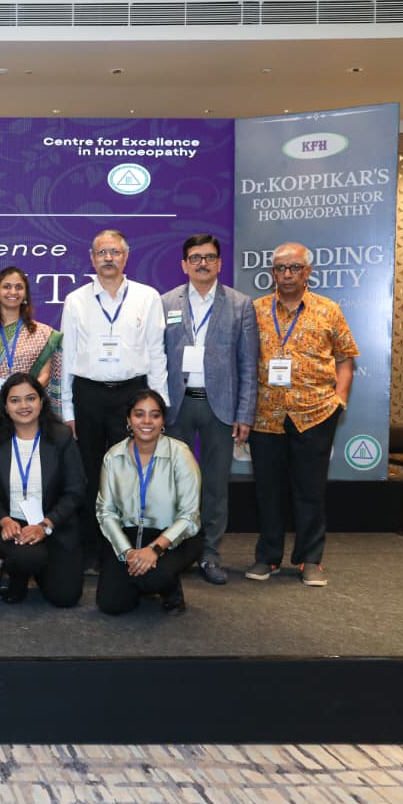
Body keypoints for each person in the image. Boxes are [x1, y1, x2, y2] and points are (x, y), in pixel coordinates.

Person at [245, 242, 358, 587]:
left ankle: (311, 559)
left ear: (307, 272)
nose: (287, 274)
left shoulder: (328, 309)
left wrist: (339, 400)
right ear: (272, 273)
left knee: (310, 490)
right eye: (281, 268)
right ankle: (268, 557)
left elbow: (346, 358)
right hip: (266, 415)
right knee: (268, 491)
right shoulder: (256, 310)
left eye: (294, 267)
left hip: (314, 414)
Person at [59, 229, 168, 570]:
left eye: (115, 252)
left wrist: (158, 405)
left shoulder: (147, 297)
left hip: (131, 394)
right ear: (92, 258)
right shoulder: (75, 300)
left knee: (130, 473)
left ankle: (126, 546)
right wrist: (67, 408)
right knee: (90, 474)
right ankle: (91, 550)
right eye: (102, 252)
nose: (108, 258)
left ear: (126, 257)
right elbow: (68, 355)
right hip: (88, 394)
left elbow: (157, 353)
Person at [161, 234, 259, 585]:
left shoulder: (240, 304)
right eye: (195, 257)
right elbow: (157, 357)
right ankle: (176, 549)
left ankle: (210, 553)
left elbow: (248, 364)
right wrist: (157, 408)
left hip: (221, 406)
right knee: (175, 483)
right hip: (178, 405)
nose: (202, 263)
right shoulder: (165, 302)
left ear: (219, 262)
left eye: (209, 257)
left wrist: (244, 413)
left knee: (216, 485)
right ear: (184, 264)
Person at [96, 390, 203, 616]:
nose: (147, 421)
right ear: (128, 419)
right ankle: (139, 581)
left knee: (155, 577)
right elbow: (105, 512)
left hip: (172, 536)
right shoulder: (113, 457)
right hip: (129, 535)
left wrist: (155, 549)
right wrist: (127, 552)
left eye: (154, 415)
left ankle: (170, 589)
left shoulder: (180, 454)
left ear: (162, 421)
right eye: (139, 414)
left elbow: (189, 516)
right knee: (111, 605)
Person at [0, 373, 86, 607]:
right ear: (5, 406)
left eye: (30, 398)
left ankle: (40, 570)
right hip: (12, 527)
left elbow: (76, 490)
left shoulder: (61, 437)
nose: (24, 406)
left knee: (65, 597)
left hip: (53, 524)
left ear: (41, 401)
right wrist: (3, 519)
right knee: (27, 558)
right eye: (15, 400)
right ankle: (17, 574)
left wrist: (46, 525)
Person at [0, 265, 62, 441]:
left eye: (19, 287)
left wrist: (20, 402)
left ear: (25, 295)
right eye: (7, 286)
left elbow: (45, 376)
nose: (13, 292)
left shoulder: (43, 333)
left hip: (27, 409)